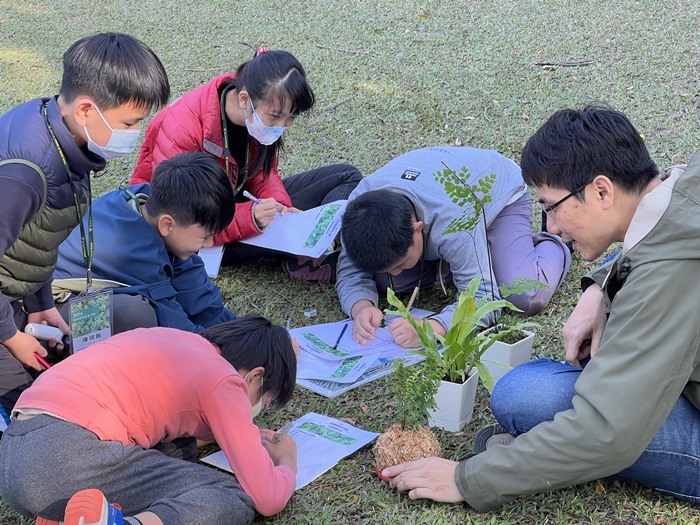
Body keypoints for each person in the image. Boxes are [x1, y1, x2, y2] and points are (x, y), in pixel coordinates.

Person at [382, 106, 700, 509]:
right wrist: (600, 287)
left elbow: (608, 435)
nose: (549, 226)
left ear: (602, 191)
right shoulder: (686, 184)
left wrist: (469, 478)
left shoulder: (664, 279)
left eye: (551, 206)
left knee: (526, 397)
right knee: (533, 391)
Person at [0, 33, 170, 427]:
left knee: (132, 317)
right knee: (45, 418)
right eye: (130, 123)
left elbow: (38, 237)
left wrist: (41, 302)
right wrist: (12, 337)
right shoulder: (26, 174)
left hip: (17, 298)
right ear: (86, 110)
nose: (135, 133)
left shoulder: (60, 130)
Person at [0, 314, 298, 525]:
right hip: (64, 457)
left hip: (15, 458)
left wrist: (236, 432)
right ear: (255, 375)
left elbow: (160, 425)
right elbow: (267, 498)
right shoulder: (226, 379)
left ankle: (67, 515)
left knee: (170, 452)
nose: (256, 409)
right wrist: (287, 462)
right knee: (230, 496)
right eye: (264, 401)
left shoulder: (179, 341)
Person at [130, 47, 362, 282]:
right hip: (199, 227)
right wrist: (251, 218)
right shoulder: (183, 126)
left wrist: (279, 204)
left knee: (346, 174)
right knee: (260, 226)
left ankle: (316, 245)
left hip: (242, 202)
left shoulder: (257, 113)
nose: (281, 125)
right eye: (275, 116)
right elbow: (181, 211)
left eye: (290, 118)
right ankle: (307, 257)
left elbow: (263, 171)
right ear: (244, 99)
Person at [336, 146, 571, 348]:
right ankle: (473, 257)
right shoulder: (356, 212)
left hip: (498, 196)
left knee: (524, 295)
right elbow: (350, 270)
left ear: (418, 228)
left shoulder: (453, 221)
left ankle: (555, 242)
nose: (395, 271)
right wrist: (361, 307)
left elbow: (484, 299)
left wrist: (435, 328)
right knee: (388, 283)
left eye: (400, 264)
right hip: (442, 193)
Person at [54, 151, 237, 333]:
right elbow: (175, 328)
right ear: (167, 224)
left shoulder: (144, 200)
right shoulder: (135, 254)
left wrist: (236, 331)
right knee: (138, 314)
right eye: (205, 237)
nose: (209, 243)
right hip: (52, 307)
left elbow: (193, 286)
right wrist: (217, 350)